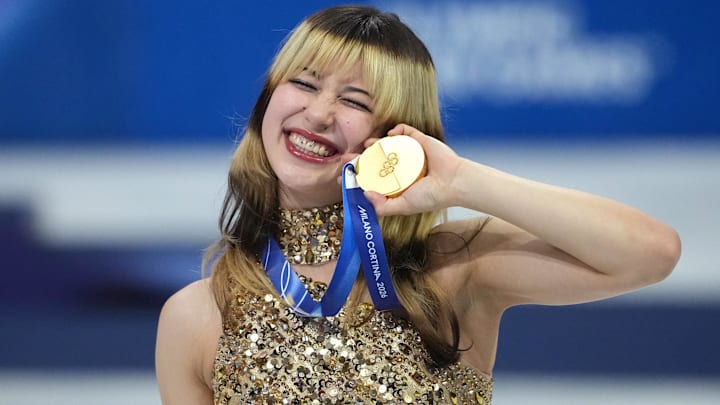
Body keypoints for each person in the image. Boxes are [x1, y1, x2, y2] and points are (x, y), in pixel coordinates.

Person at [155, 5, 681, 404]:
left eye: (355, 102)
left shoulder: (455, 267)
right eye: (304, 83)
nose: (317, 114)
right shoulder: (196, 315)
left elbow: (652, 252)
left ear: (395, 138)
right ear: (268, 98)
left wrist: (461, 181)